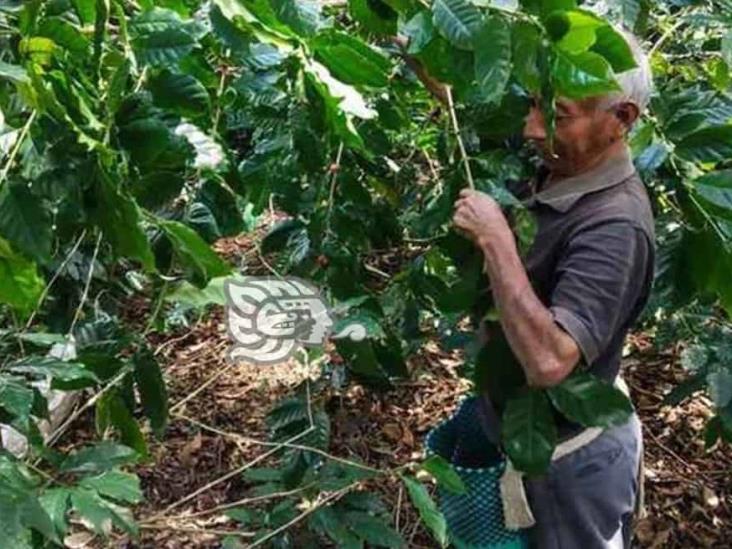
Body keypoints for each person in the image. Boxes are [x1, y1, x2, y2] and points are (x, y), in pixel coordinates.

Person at [449, 32, 655, 548]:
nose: (531, 128)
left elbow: (550, 362)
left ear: (622, 120)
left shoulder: (616, 226)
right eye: (534, 103)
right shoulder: (564, 166)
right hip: (533, 439)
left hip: (572, 465)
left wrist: (496, 241)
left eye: (556, 114)